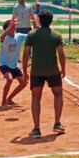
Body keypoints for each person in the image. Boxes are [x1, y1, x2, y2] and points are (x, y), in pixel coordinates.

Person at [22, 10, 66, 138]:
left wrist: (25, 72)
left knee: (36, 98)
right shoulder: (56, 35)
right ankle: (57, 123)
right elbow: (61, 55)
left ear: (39, 20)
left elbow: (25, 55)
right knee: (58, 94)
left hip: (37, 71)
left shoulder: (32, 34)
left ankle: (36, 128)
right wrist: (63, 69)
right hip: (53, 70)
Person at [0, 18, 28, 108]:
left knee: (23, 83)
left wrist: (35, 25)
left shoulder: (18, 36)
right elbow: (1, 37)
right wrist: (10, 27)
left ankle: (9, 99)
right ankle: (3, 102)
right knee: (10, 79)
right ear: (7, 28)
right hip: (4, 63)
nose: (13, 25)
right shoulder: (6, 38)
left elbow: (31, 35)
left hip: (14, 65)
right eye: (11, 24)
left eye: (14, 24)